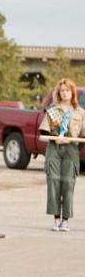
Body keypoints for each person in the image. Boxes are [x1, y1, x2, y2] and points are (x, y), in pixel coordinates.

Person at [39, 77, 83, 232]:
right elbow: (43, 133)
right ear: (58, 93)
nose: (64, 93)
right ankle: (56, 219)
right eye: (62, 91)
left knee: (68, 185)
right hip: (54, 150)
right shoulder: (52, 110)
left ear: (72, 92)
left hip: (71, 151)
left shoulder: (80, 112)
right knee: (54, 183)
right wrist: (55, 139)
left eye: (67, 90)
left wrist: (73, 142)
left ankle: (66, 220)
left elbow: (83, 136)